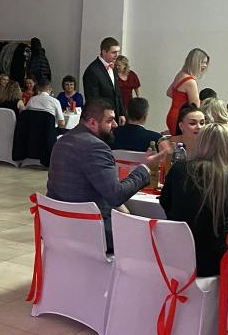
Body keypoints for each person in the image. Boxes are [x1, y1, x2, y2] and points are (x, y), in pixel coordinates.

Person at [47, 97, 165, 250]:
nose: (115, 124)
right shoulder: (96, 147)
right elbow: (116, 195)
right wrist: (146, 168)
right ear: (92, 122)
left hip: (58, 227)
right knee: (156, 235)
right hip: (90, 231)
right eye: (109, 120)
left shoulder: (62, 141)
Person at [160, 123, 228, 276]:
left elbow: (165, 202)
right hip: (212, 261)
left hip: (174, 255)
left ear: (200, 142)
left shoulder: (179, 169)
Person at [165, 47, 210, 135]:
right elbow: (195, 106)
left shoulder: (180, 74)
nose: (205, 65)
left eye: (206, 63)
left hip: (172, 115)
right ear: (195, 62)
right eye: (203, 62)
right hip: (183, 118)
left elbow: (169, 92)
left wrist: (180, 100)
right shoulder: (190, 81)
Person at [83, 36, 126, 124]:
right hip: (101, 120)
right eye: (113, 52)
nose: (117, 55)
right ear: (104, 52)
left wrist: (121, 113)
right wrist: (108, 118)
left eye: (118, 52)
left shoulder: (113, 67)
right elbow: (93, 100)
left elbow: (117, 92)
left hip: (115, 115)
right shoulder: (92, 71)